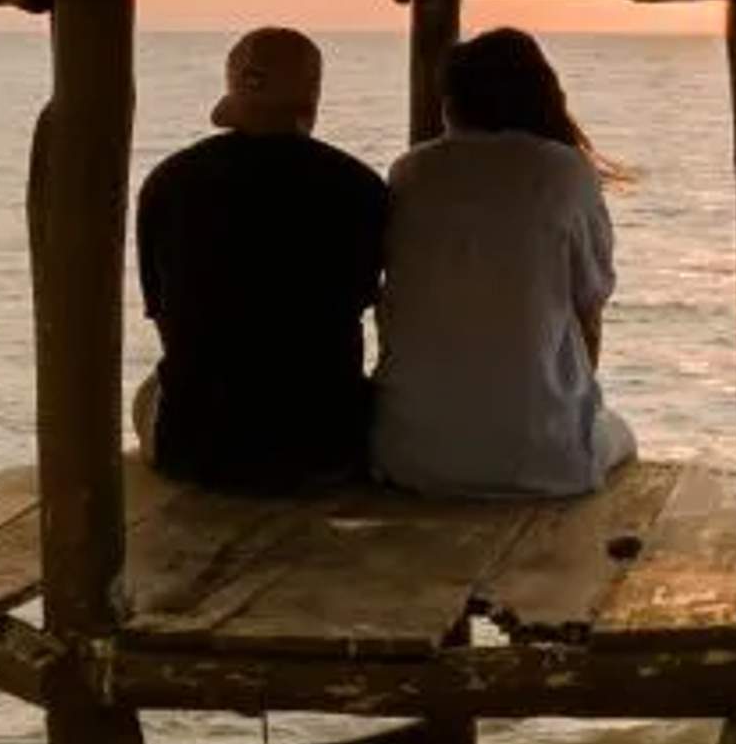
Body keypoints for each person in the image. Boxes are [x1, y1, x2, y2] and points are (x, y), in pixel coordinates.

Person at [370, 27, 639, 499]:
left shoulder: (411, 170)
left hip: (407, 454)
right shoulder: (564, 171)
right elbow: (589, 307)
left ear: (450, 103)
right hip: (541, 462)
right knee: (621, 434)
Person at [129, 27, 389, 492]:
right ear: (313, 98)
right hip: (324, 448)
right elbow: (368, 300)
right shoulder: (361, 188)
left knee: (149, 393)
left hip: (196, 448)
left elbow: (164, 314)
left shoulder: (168, 182)